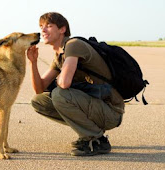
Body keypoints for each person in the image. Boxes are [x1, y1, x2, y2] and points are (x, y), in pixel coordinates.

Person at [27, 12, 125, 156]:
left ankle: (96, 140)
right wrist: (33, 63)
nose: (43, 30)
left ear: (62, 29)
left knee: (60, 94)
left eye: (49, 25)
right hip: (97, 107)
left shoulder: (73, 45)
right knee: (39, 101)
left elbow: (64, 83)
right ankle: (90, 130)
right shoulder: (60, 55)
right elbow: (39, 89)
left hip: (111, 111)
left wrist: (58, 80)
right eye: (41, 26)